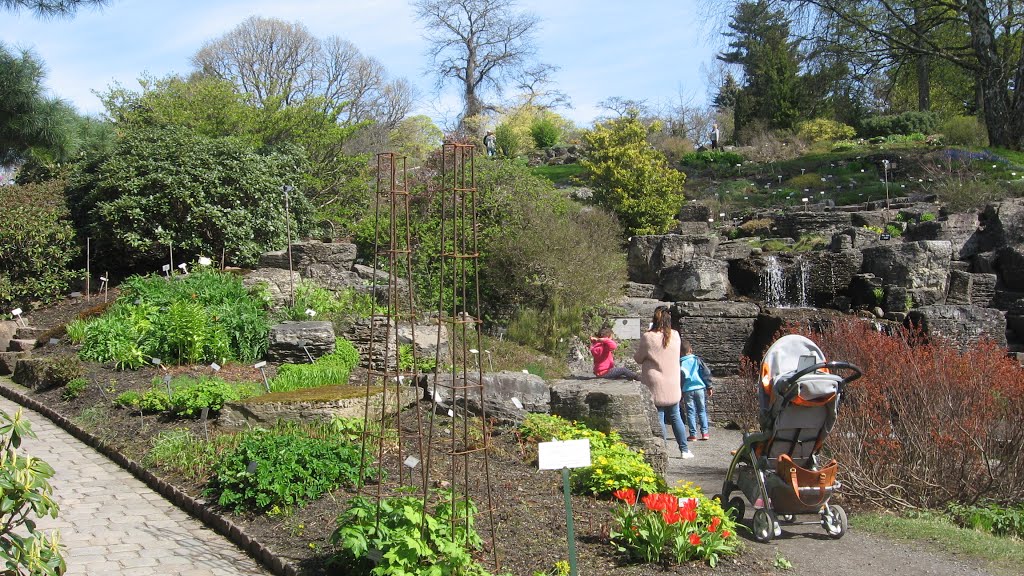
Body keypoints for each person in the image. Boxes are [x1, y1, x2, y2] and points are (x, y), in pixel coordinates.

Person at [634, 306, 693, 459]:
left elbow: (638, 358)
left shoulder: (648, 337)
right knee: (675, 416)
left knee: (658, 416)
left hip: (654, 383)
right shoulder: (675, 335)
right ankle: (684, 450)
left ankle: (663, 451)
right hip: (673, 383)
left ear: (655, 319)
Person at [679, 337, 714, 441]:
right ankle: (705, 433)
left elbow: (679, 378)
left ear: (680, 352)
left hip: (687, 390)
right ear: (691, 350)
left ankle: (693, 434)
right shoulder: (697, 360)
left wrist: (680, 390)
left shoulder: (680, 363)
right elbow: (705, 373)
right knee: (702, 410)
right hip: (699, 388)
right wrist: (709, 386)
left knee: (690, 412)